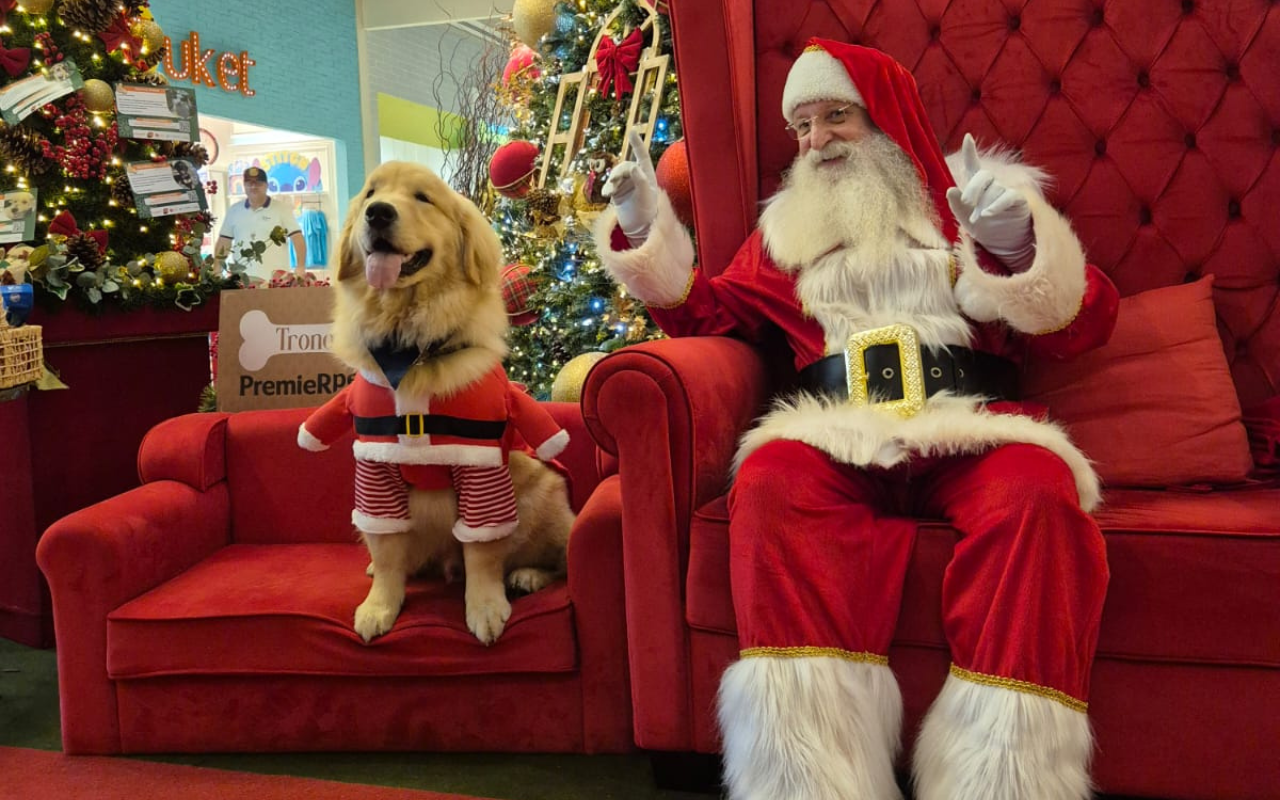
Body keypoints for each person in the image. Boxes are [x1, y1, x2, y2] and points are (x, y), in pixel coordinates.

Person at [595, 39, 1119, 800]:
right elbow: (704, 312)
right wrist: (646, 231)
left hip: (971, 425)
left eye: (834, 116)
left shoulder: (973, 204)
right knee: (771, 482)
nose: (815, 141)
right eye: (801, 127)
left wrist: (1014, 247)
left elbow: (1083, 323)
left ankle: (1007, 779)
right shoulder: (785, 235)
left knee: (1036, 492)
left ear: (885, 117)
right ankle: (811, 780)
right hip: (836, 429)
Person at [215, 166, 307, 282]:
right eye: (249, 183)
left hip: (276, 280)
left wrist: (301, 267)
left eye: (258, 183)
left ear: (266, 185)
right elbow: (224, 242)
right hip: (242, 280)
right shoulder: (234, 210)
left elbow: (297, 238)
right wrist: (217, 270)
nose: (253, 187)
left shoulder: (282, 209)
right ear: (244, 186)